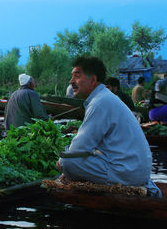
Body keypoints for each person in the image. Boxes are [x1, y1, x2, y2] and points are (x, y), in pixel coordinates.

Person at [56, 56, 161, 197]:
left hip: (127, 173)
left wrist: (62, 162)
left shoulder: (100, 102)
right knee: (73, 158)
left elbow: (78, 148)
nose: (71, 81)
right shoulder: (105, 98)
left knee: (68, 162)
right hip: (137, 172)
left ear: (92, 80)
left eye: (77, 75)